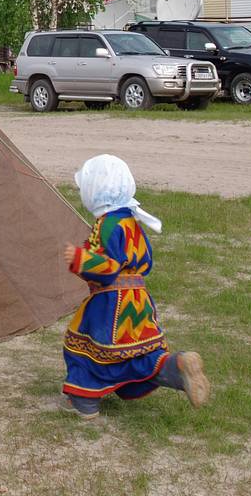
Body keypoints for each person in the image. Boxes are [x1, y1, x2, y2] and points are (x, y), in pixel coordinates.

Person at [61, 154, 209, 419]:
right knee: (138, 353)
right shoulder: (131, 221)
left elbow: (108, 268)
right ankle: (175, 367)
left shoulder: (107, 224)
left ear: (95, 189)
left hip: (111, 303)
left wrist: (80, 259)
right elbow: (146, 259)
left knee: (83, 346)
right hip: (138, 300)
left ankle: (84, 399)